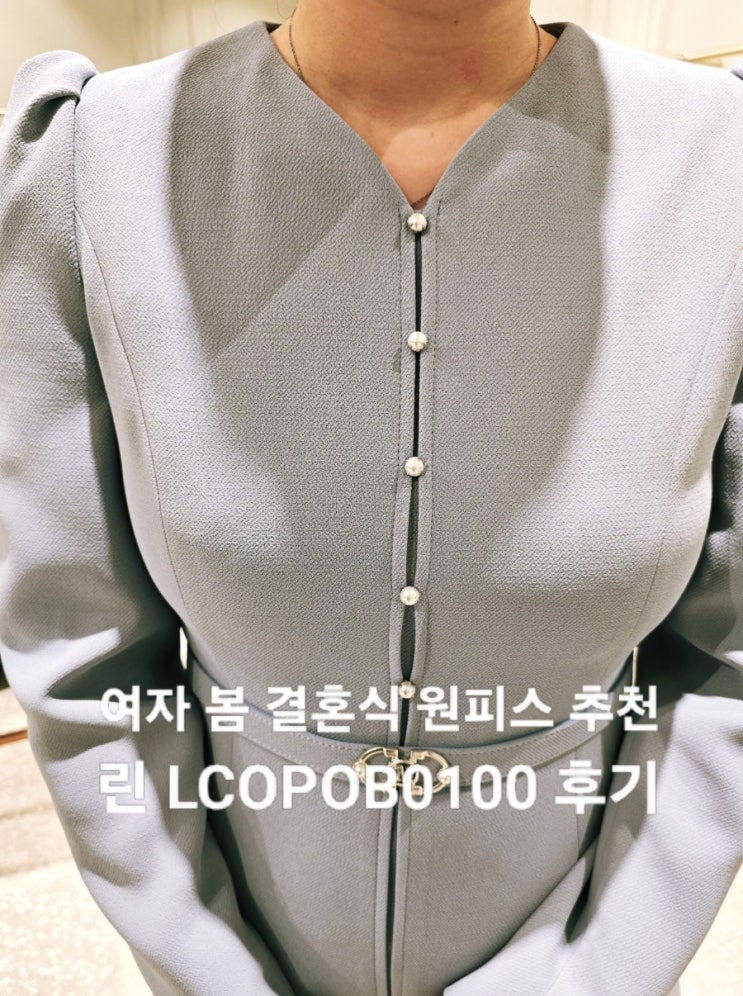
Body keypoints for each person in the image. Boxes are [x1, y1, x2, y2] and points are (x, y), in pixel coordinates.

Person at [0, 1, 741, 993]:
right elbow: (82, 653)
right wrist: (208, 967)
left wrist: (590, 974)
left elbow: (726, 660)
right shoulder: (89, 160)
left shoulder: (722, 161)